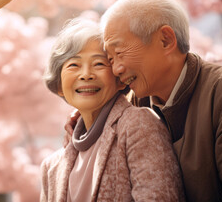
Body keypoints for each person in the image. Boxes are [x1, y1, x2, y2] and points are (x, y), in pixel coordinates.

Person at [65, 0, 222, 201]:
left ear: (165, 40)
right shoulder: (137, 100)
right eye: (109, 59)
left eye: (119, 53)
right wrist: (88, 116)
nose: (116, 69)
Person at [40, 18, 184, 201]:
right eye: (73, 65)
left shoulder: (138, 126)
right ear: (59, 85)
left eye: (99, 64)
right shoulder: (51, 167)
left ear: (119, 78)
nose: (86, 75)